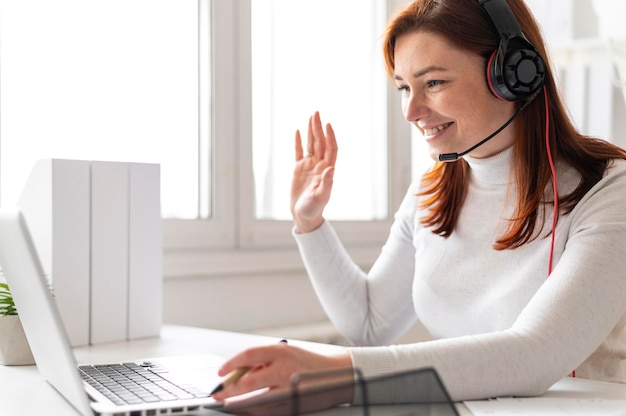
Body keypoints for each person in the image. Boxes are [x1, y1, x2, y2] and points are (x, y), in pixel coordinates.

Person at [211, 0, 626, 410]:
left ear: (514, 74)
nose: (411, 111)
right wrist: (310, 223)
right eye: (404, 87)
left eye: (434, 83)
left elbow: (536, 355)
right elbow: (370, 325)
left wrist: (334, 374)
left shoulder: (609, 190)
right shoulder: (431, 194)